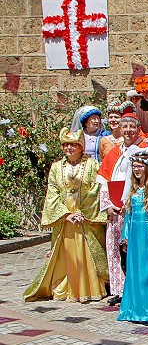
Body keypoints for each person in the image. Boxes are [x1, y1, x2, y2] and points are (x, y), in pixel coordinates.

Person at [24, 128, 108, 303]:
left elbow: (97, 189)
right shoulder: (56, 167)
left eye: (73, 145)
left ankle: (89, 287)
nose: (69, 148)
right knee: (67, 253)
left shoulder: (92, 164)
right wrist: (66, 214)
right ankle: (67, 287)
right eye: (66, 145)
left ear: (81, 147)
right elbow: (52, 192)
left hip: (85, 216)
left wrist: (83, 212)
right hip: (66, 217)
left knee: (88, 251)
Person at [96, 112, 148, 306]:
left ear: (138, 129)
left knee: (136, 251)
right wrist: (108, 205)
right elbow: (104, 182)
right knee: (115, 251)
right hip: (115, 210)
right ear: (120, 129)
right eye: (125, 126)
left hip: (137, 209)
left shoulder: (146, 150)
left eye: (132, 126)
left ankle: (137, 290)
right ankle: (119, 290)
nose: (128, 130)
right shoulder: (113, 153)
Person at [117, 146, 148, 323]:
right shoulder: (133, 190)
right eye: (134, 166)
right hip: (135, 236)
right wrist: (126, 236)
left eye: (139, 166)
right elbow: (128, 216)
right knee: (135, 270)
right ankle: (135, 308)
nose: (136, 169)